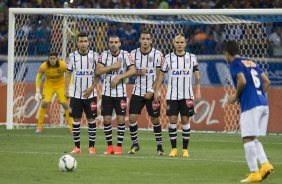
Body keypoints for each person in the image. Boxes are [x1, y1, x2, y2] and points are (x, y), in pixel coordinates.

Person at [223, 40, 274, 182]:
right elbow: (267, 81)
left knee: (246, 138)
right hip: (263, 104)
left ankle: (254, 173)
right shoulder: (250, 62)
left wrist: (234, 97)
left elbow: (242, 80)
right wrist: (258, 96)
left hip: (251, 106)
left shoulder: (234, 64)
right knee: (252, 138)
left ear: (226, 53)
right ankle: (265, 164)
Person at [155, 34, 201, 157]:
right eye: (177, 42)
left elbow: (196, 74)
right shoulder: (168, 58)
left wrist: (198, 90)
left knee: (185, 120)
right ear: (173, 43)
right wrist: (156, 90)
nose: (179, 44)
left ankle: (185, 150)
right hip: (172, 95)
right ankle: (173, 149)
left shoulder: (191, 57)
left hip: (187, 95)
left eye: (182, 42)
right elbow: (161, 76)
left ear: (185, 44)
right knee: (173, 120)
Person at [96, 35, 136, 155]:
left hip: (121, 93)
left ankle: (119, 147)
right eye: (111, 42)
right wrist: (113, 67)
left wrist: (119, 77)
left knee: (121, 119)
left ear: (120, 43)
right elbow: (98, 71)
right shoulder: (104, 55)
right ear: (108, 44)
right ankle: (109, 147)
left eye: (116, 42)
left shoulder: (126, 55)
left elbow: (133, 70)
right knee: (107, 119)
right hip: (106, 93)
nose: (114, 44)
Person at [128, 30, 165, 156]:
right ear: (140, 40)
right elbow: (129, 72)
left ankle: (159, 147)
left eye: (147, 39)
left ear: (151, 41)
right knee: (132, 118)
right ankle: (135, 144)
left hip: (152, 92)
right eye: (143, 38)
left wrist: (153, 91)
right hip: (137, 91)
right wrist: (138, 72)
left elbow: (160, 75)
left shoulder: (158, 54)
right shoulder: (132, 54)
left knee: (155, 119)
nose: (145, 41)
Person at [65, 31, 99, 155]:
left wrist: (91, 88)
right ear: (77, 43)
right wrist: (66, 89)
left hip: (91, 94)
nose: (83, 44)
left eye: (85, 41)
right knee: (76, 119)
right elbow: (68, 73)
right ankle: (77, 147)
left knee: (91, 119)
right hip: (75, 94)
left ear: (88, 42)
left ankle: (91, 147)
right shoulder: (72, 56)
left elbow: (98, 74)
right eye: (81, 41)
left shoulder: (95, 56)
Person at [35, 52, 72, 133]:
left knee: (65, 104)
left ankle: (72, 127)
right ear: (48, 59)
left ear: (57, 59)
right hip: (49, 86)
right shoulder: (44, 66)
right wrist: (37, 91)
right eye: (50, 58)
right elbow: (38, 77)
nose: (52, 60)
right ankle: (39, 127)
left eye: (54, 58)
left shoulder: (62, 65)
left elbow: (70, 74)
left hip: (61, 85)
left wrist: (70, 87)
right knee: (44, 103)